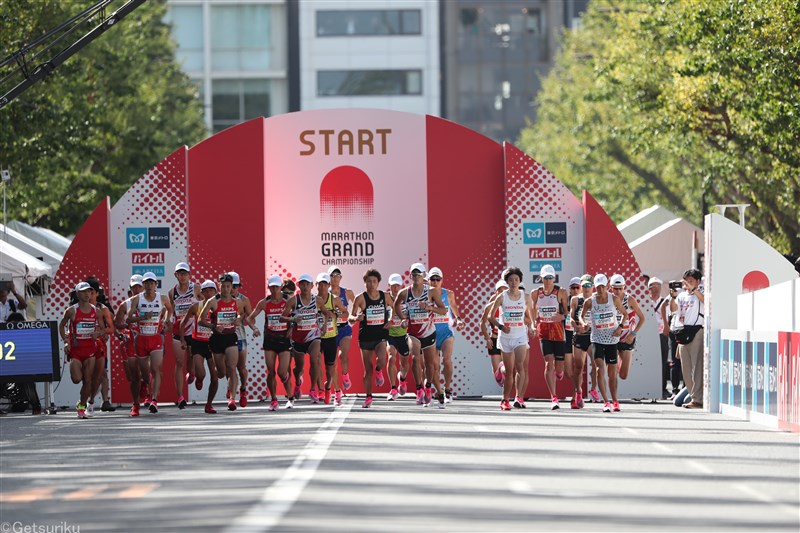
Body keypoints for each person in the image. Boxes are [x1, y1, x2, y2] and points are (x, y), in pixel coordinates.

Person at [393, 263, 448, 408]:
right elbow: (396, 305)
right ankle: (419, 388)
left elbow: (443, 310)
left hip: (429, 332)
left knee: (430, 365)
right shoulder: (405, 293)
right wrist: (403, 319)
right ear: (410, 276)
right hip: (413, 332)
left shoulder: (431, 292)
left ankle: (428, 386)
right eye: (414, 274)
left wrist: (429, 307)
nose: (416, 277)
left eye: (419, 274)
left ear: (424, 276)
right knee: (416, 359)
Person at [199, 273, 254, 411]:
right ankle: (226, 387)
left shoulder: (237, 301)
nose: (225, 289)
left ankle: (232, 399)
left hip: (231, 337)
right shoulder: (212, 301)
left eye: (228, 286)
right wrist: (213, 326)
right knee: (222, 373)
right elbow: (201, 320)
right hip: (217, 339)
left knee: (232, 367)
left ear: (231, 287)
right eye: (223, 286)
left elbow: (242, 314)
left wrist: (238, 319)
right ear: (219, 286)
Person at [580, 274, 629, 412]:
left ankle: (615, 400)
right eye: (598, 287)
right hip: (597, 339)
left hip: (612, 339)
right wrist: (584, 323)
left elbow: (625, 314)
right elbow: (581, 315)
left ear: (607, 286)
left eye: (603, 286)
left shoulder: (613, 299)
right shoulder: (590, 301)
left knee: (612, 373)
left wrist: (620, 327)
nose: (601, 290)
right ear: (595, 287)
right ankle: (606, 402)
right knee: (599, 368)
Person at [126, 272, 173, 414]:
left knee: (156, 369)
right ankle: (144, 386)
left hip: (155, 338)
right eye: (146, 283)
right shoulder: (136, 299)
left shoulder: (162, 298)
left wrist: (166, 319)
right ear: (143, 285)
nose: (149, 286)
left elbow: (170, 309)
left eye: (151, 283)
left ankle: (154, 400)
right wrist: (142, 317)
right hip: (141, 339)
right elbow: (128, 319)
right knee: (145, 375)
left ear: (156, 285)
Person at [488, 267, 534, 411]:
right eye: (510, 280)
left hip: (520, 336)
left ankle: (519, 398)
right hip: (505, 338)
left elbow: (531, 316)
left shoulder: (525, 297)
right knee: (509, 372)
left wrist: (532, 326)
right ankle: (504, 399)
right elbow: (490, 316)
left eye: (516, 280)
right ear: (507, 282)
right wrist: (501, 327)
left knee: (520, 366)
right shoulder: (501, 297)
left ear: (520, 281)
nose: (514, 283)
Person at [283, 273, 330, 407]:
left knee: (315, 360)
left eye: (307, 284)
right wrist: (292, 320)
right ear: (299, 285)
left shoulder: (318, 300)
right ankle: (298, 382)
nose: (304, 287)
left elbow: (327, 313)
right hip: (298, 339)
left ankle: (313, 389)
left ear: (311, 286)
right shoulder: (293, 301)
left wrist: (325, 325)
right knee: (299, 367)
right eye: (302, 284)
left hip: (314, 336)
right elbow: (282, 317)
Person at [349, 269, 393, 408]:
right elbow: (350, 317)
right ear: (365, 283)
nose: (372, 284)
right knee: (368, 370)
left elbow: (395, 308)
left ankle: (379, 370)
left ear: (378, 283)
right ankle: (368, 397)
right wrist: (356, 318)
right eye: (369, 281)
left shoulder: (385, 296)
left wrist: (391, 320)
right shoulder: (360, 298)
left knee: (382, 359)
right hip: (365, 337)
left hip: (381, 335)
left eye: (374, 281)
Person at [249, 275, 294, 411]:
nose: (274, 290)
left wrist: (291, 328)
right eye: (272, 287)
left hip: (284, 339)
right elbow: (250, 318)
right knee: (271, 372)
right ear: (269, 287)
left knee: (282, 372)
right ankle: (274, 400)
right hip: (269, 339)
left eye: (277, 287)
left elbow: (298, 315)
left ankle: (290, 396)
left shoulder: (289, 300)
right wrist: (255, 328)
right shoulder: (264, 302)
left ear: (281, 287)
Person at [59, 282, 101, 419]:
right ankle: (82, 401)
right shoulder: (71, 310)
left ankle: (82, 406)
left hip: (90, 351)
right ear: (77, 294)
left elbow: (102, 329)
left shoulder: (96, 311)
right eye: (83, 291)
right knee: (77, 379)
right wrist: (66, 342)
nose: (87, 294)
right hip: (76, 352)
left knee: (88, 380)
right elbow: (62, 326)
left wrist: (98, 333)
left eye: (89, 291)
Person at [532, 264, 569, 410]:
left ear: (554, 278)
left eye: (550, 277)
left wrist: (562, 316)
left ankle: (559, 372)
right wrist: (533, 325)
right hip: (544, 333)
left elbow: (566, 312)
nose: (547, 280)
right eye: (545, 278)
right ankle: (554, 397)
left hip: (558, 333)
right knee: (548, 363)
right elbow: (531, 312)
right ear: (540, 278)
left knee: (559, 367)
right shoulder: (536, 293)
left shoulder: (561, 292)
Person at [427, 267, 466, 402]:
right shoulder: (424, 294)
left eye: (438, 279)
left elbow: (454, 306)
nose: (435, 282)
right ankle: (439, 391)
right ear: (428, 280)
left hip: (446, 331)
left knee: (447, 359)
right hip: (431, 332)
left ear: (442, 280)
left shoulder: (448, 294)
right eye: (432, 279)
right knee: (434, 365)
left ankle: (448, 388)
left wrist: (459, 319)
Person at [181, 280, 219, 414]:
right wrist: (182, 340)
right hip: (197, 342)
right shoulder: (196, 307)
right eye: (206, 291)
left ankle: (209, 404)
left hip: (212, 343)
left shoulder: (218, 306)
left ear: (215, 292)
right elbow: (183, 323)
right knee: (201, 373)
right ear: (201, 293)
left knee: (215, 377)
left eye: (211, 290)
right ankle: (199, 378)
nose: (208, 293)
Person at [671, 269, 705, 409]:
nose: (688, 283)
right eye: (687, 280)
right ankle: (693, 395)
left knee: (697, 367)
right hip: (682, 331)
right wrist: (673, 297)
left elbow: (707, 302)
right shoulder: (681, 296)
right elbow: (674, 310)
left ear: (698, 281)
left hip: (697, 330)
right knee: (686, 368)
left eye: (691, 280)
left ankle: (697, 399)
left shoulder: (700, 293)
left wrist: (694, 289)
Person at [169, 262, 201, 410]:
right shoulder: (172, 292)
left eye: (185, 274)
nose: (182, 276)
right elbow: (171, 312)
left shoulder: (195, 288)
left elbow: (204, 304)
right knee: (179, 363)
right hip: (178, 331)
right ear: (176, 275)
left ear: (189, 275)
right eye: (180, 274)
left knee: (192, 359)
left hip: (194, 331)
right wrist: (166, 321)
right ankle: (180, 396)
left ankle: (193, 373)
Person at [114, 275, 145, 416]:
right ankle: (136, 404)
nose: (137, 289)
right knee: (133, 377)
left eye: (139, 286)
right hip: (131, 341)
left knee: (147, 372)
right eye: (134, 287)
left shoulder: (152, 301)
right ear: (130, 289)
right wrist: (126, 325)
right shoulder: (125, 305)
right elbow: (116, 324)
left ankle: (145, 385)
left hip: (147, 340)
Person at [316, 272, 348, 405]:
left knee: (331, 368)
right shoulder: (313, 300)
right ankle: (320, 390)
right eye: (320, 284)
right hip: (316, 337)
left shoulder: (334, 299)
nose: (322, 286)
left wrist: (336, 315)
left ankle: (331, 388)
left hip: (330, 336)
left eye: (325, 284)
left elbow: (346, 313)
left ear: (328, 285)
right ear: (316, 285)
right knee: (316, 363)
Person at [85, 277, 115, 416]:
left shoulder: (102, 307)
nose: (88, 295)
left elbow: (112, 325)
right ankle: (85, 400)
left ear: (97, 293)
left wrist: (102, 331)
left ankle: (105, 401)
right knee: (85, 374)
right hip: (83, 345)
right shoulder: (77, 306)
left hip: (99, 345)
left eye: (91, 292)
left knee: (102, 372)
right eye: (86, 292)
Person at [609, 274, 646, 381]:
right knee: (611, 373)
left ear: (624, 287)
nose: (617, 291)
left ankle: (620, 359)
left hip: (627, 338)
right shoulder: (609, 299)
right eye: (615, 288)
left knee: (623, 375)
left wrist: (633, 334)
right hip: (612, 337)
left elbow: (642, 318)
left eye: (620, 288)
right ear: (611, 288)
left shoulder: (630, 299)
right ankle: (613, 397)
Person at [6, 312, 42, 414]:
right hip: (6, 368)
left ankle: (36, 406)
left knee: (29, 380)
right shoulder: (3, 336)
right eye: (13, 325)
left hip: (23, 369)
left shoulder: (28, 338)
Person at [228, 272, 255, 408]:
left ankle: (243, 390)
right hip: (225, 337)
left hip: (240, 337)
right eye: (230, 286)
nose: (233, 289)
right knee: (229, 368)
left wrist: (252, 325)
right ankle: (232, 394)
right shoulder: (219, 299)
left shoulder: (244, 300)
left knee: (241, 368)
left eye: (235, 286)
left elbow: (251, 317)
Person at [385, 273, 413, 401]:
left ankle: (402, 379)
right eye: (393, 286)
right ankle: (392, 388)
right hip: (390, 334)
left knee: (405, 362)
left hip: (404, 334)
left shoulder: (406, 298)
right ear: (388, 286)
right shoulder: (385, 299)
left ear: (401, 286)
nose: (395, 288)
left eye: (397, 285)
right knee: (391, 358)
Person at [328, 267, 356, 391]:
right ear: (328, 278)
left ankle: (345, 375)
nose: (335, 278)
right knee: (332, 363)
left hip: (344, 328)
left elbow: (358, 304)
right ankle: (336, 389)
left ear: (341, 277)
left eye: (337, 275)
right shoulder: (325, 294)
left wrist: (354, 317)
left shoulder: (347, 292)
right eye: (332, 275)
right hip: (330, 330)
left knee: (343, 355)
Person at [568, 274, 594, 409]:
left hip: (594, 337)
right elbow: (571, 317)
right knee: (578, 367)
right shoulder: (575, 300)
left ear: (593, 287)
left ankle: (594, 389)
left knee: (597, 364)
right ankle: (578, 393)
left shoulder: (598, 299)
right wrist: (576, 326)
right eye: (583, 286)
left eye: (589, 285)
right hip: (579, 335)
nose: (586, 288)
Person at [480, 280, 508, 387]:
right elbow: (482, 323)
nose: (501, 293)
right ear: (495, 292)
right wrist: (487, 338)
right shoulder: (489, 307)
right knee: (498, 376)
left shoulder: (511, 306)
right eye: (499, 291)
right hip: (495, 339)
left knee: (508, 371)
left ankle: (507, 396)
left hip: (507, 340)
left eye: (504, 290)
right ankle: (501, 368)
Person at [647, 277, 672, 399]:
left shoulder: (665, 301)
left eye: (658, 286)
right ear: (648, 288)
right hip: (648, 335)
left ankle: (662, 387)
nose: (655, 289)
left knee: (663, 361)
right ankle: (648, 386)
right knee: (649, 361)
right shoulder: (645, 301)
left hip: (662, 333)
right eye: (653, 286)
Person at [665, 281, 683, 398]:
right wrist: (666, 325)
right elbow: (667, 308)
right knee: (674, 362)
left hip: (685, 330)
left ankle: (686, 388)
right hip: (673, 331)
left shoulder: (686, 295)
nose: (676, 289)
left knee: (685, 362)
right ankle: (675, 389)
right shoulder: (670, 297)